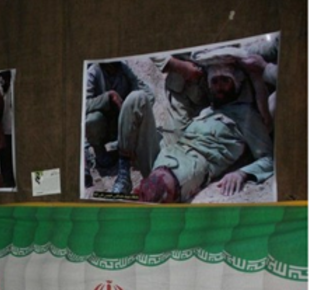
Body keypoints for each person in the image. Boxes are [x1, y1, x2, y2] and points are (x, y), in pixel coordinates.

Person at [121, 61, 273, 203]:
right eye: (215, 81)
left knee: (156, 189)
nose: (219, 87)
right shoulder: (207, 111)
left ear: (236, 83)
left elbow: (268, 159)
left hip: (192, 164)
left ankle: (137, 199)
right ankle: (123, 173)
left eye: (225, 80)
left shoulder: (246, 115)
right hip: (168, 150)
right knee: (137, 98)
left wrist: (241, 173)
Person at [84, 61, 156, 194]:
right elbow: (83, 105)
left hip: (124, 125)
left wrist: (131, 108)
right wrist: (108, 96)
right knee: (92, 120)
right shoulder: (94, 72)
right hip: (104, 126)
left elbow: (147, 94)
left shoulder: (123, 69)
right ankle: (101, 155)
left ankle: (125, 166)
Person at [0, 70, 16, 187]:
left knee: (9, 159)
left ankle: (10, 182)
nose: (1, 84)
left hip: (10, 132)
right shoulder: (2, 93)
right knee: (3, 158)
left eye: (2, 81)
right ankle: (5, 181)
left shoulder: (12, 92)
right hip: (2, 131)